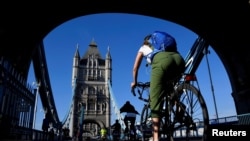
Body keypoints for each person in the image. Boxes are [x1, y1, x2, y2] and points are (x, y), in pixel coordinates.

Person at [130, 31, 185, 141]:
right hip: (179, 60)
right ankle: (178, 105)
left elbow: (135, 68)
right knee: (169, 90)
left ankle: (156, 137)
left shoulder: (143, 48)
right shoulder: (161, 45)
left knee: (155, 100)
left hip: (162, 62)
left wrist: (134, 82)